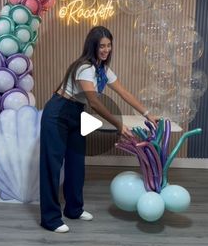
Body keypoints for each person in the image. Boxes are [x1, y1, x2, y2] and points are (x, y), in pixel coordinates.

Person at [40, 26, 158, 233]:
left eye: (109, 45)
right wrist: (119, 125)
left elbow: (124, 93)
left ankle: (74, 209)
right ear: (92, 46)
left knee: (76, 164)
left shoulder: (102, 70)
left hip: (77, 113)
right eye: (101, 46)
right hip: (58, 114)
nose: (106, 50)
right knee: (52, 166)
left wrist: (147, 113)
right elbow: (94, 102)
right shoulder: (85, 67)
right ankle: (50, 219)